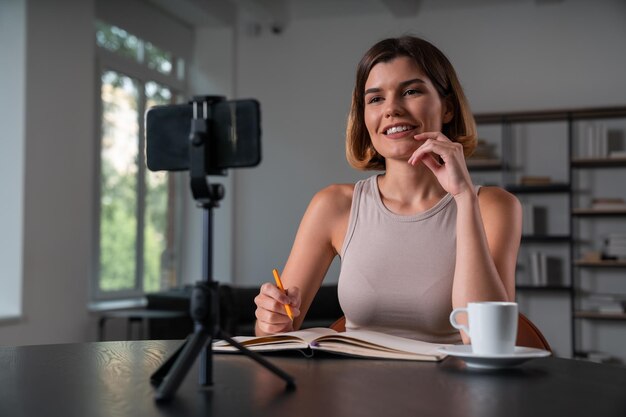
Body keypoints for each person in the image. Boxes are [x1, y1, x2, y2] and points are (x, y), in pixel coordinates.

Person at [254, 35, 521, 344]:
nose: (391, 109)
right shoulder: (333, 205)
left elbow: (484, 340)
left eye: (410, 91)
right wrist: (269, 319)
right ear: (365, 116)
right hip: (352, 389)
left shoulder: (493, 206)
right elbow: (274, 333)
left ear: (447, 108)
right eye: (375, 99)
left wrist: (463, 198)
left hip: (451, 390)